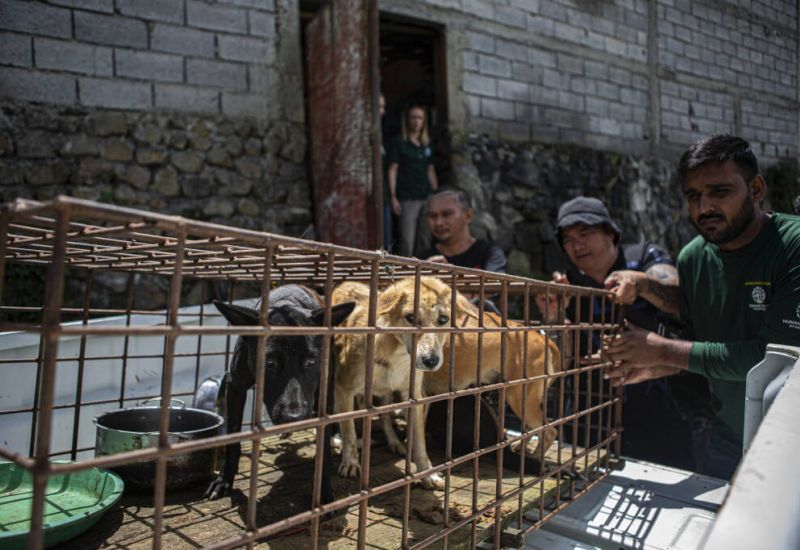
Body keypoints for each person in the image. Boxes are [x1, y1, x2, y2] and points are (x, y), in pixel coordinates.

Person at [604, 135, 800, 480]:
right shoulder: (693, 258)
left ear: (756, 189)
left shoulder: (792, 246)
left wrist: (661, 350)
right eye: (693, 196)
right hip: (727, 441)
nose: (704, 207)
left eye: (719, 191)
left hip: (791, 445)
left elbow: (773, 362)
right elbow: (699, 344)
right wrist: (654, 365)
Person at [535, 196, 710, 471]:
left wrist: (640, 286)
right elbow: (562, 362)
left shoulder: (643, 257)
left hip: (658, 408)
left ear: (610, 232)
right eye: (568, 239)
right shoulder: (568, 286)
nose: (577, 245)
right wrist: (554, 316)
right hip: (590, 416)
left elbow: (678, 296)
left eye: (585, 233)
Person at [387, 105, 438, 257]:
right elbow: (393, 169)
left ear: (424, 121)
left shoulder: (427, 144)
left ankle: (422, 270)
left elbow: (430, 170)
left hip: (426, 196)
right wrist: (393, 196)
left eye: (420, 118)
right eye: (413, 117)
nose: (416, 121)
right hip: (407, 197)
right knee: (407, 240)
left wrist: (437, 196)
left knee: (425, 239)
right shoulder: (400, 142)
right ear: (407, 120)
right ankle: (404, 270)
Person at [419, 186, 507, 273]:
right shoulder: (424, 261)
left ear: (468, 215)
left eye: (446, 214)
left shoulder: (489, 254)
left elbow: (495, 282)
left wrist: (449, 275)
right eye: (432, 216)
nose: (439, 223)